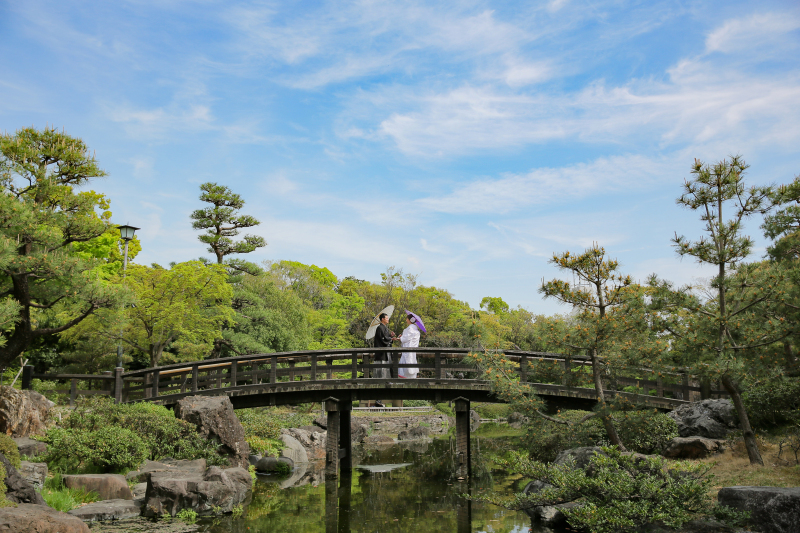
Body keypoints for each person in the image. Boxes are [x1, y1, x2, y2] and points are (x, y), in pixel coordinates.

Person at [372, 312, 396, 407]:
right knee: (381, 374)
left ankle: (380, 399)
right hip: (381, 354)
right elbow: (383, 339)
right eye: (386, 318)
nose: (388, 319)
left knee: (385, 372)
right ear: (382, 319)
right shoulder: (380, 328)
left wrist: (390, 336)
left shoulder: (383, 328)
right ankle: (378, 400)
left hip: (385, 354)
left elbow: (386, 338)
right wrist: (391, 339)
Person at [398, 314, 420, 379]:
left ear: (410, 320)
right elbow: (408, 338)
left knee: (405, 365)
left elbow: (406, 339)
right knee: (411, 362)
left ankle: (405, 379)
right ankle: (411, 380)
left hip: (407, 350)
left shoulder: (410, 328)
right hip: (412, 350)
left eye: (407, 319)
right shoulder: (415, 329)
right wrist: (402, 337)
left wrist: (400, 338)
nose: (406, 320)